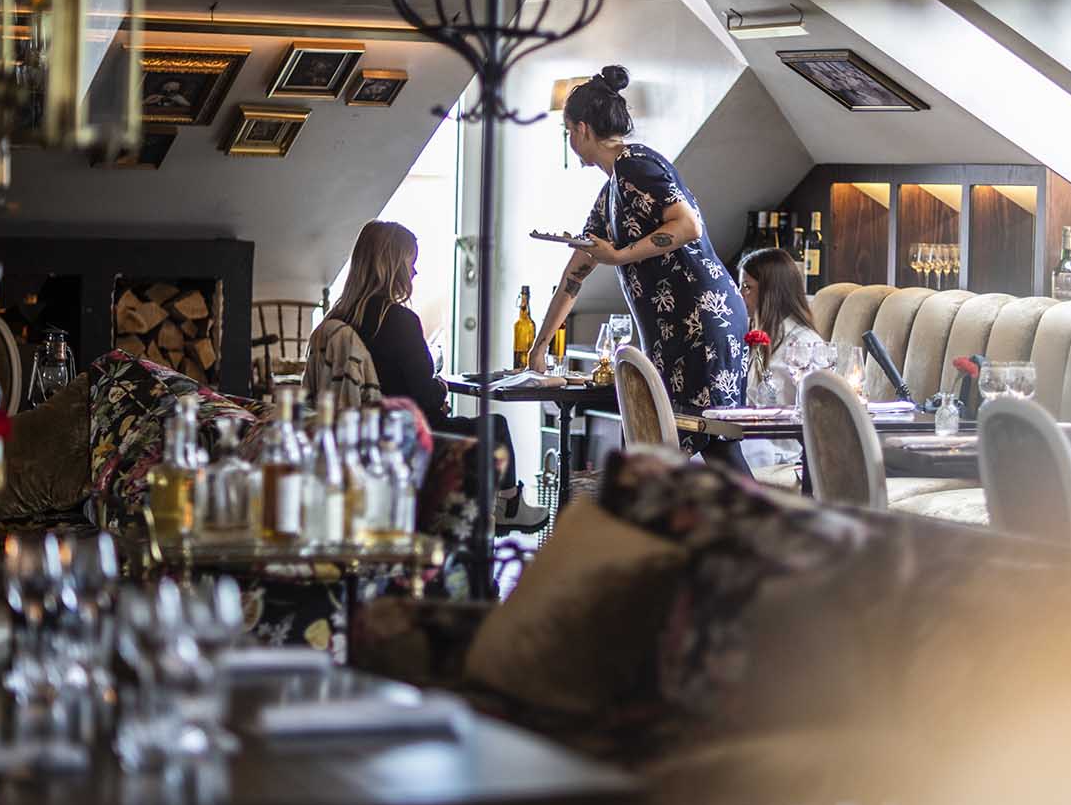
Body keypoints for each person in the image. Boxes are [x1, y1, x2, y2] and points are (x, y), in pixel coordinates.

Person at [528, 65, 752, 473]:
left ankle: (756, 515)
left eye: (567, 131)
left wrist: (618, 255)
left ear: (581, 130)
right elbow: (575, 275)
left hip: (702, 318)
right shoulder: (612, 189)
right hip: (674, 327)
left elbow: (687, 226)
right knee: (662, 444)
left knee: (711, 440)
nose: (570, 140)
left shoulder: (636, 163)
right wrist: (540, 345)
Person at [326, 220, 547, 531]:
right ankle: (509, 506)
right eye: (411, 264)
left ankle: (498, 507)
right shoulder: (400, 320)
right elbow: (424, 395)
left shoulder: (338, 319)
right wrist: (440, 389)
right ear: (392, 267)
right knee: (495, 426)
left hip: (362, 431)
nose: (414, 272)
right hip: (408, 433)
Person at [738, 247, 824, 468]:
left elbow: (820, 413)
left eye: (747, 287)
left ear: (771, 291)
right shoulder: (757, 338)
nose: (740, 294)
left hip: (785, 452)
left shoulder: (805, 344)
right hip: (754, 442)